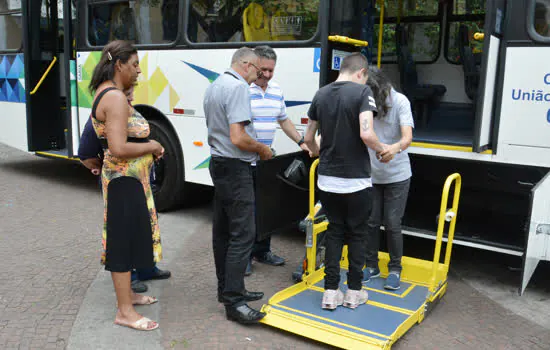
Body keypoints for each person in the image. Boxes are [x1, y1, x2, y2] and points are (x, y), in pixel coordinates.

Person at [89, 40, 165, 331]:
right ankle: (124, 311)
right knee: (122, 244)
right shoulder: (115, 98)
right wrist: (153, 144)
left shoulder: (109, 93)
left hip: (126, 180)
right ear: (118, 64)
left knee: (131, 238)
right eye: (134, 64)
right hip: (124, 180)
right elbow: (118, 147)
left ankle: (129, 296)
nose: (139, 70)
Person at [304, 53, 388, 310]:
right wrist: (382, 149)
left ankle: (330, 292)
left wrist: (320, 151)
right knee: (357, 234)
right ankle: (354, 292)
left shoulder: (321, 94)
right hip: (356, 182)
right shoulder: (362, 94)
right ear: (361, 72)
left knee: (334, 232)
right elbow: (366, 133)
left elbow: (308, 138)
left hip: (327, 180)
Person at [78, 85, 172, 294]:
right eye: (126, 93)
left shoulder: (130, 112)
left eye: (130, 94)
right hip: (122, 181)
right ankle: (130, 275)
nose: (130, 97)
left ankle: (147, 266)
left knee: (146, 223)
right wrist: (98, 167)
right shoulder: (109, 112)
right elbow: (85, 151)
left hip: (141, 180)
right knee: (126, 228)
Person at [204, 47, 273, 324]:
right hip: (235, 166)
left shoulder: (215, 86)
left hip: (219, 163)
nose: (258, 76)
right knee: (243, 233)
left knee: (223, 231)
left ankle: (228, 290)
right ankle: (235, 302)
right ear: (246, 65)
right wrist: (262, 150)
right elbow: (238, 137)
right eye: (258, 70)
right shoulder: (238, 88)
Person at [245, 45, 311, 275]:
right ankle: (244, 257)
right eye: (264, 69)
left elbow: (283, 121)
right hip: (246, 160)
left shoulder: (275, 90)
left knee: (267, 207)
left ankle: (262, 251)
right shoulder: (242, 90)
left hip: (266, 160)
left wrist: (301, 142)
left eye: (272, 70)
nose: (268, 74)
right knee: (247, 210)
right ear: (254, 65)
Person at [364, 66, 414, 290]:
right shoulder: (365, 99)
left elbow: (407, 138)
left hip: (397, 175)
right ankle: (371, 266)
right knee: (371, 222)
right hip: (371, 174)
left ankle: (395, 269)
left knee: (392, 224)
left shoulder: (400, 101)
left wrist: (395, 148)